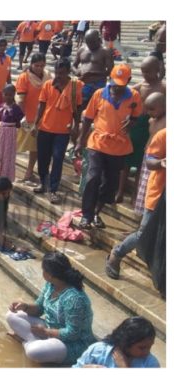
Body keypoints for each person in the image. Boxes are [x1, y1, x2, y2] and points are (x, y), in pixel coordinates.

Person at [75, 64, 142, 229]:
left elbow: (136, 117)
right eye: (114, 83)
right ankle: (86, 215)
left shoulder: (134, 97)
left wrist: (132, 121)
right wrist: (79, 141)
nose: (117, 88)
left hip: (118, 147)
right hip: (97, 143)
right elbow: (88, 118)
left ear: (129, 81)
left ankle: (97, 212)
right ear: (109, 79)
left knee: (110, 183)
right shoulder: (99, 94)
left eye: (121, 84)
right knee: (93, 178)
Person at [5, 252, 95, 365]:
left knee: (33, 352)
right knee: (11, 315)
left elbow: (73, 334)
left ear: (50, 274)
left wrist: (46, 332)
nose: (42, 272)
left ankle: (27, 342)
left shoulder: (74, 298)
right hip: (50, 330)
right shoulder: (50, 285)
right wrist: (25, 306)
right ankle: (36, 343)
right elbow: (39, 308)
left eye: (43, 270)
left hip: (73, 344)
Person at [107, 104, 165, 279]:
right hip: (159, 195)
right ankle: (117, 254)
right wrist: (162, 162)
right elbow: (150, 161)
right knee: (144, 232)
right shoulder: (164, 135)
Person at [32, 58, 84, 204]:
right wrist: (35, 124)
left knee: (58, 158)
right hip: (45, 128)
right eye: (56, 72)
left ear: (68, 72)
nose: (58, 76)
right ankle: (43, 182)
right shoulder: (48, 85)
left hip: (63, 131)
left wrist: (76, 126)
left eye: (61, 73)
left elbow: (78, 108)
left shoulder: (75, 87)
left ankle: (53, 189)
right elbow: (41, 106)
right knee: (43, 158)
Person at [119, 57, 165, 204]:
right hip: (137, 124)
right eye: (143, 71)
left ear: (157, 71)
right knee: (126, 160)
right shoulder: (141, 85)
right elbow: (127, 92)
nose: (145, 74)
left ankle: (135, 195)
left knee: (141, 163)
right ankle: (120, 191)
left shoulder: (164, 87)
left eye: (148, 72)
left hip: (154, 127)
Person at [16, 52, 51, 186]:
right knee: (20, 145)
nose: (39, 68)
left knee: (35, 148)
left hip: (44, 118)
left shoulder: (48, 76)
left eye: (42, 65)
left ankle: (29, 173)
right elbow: (21, 100)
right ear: (31, 64)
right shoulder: (24, 77)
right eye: (36, 65)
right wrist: (22, 117)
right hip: (29, 117)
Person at [74, 316, 159, 368]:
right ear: (126, 342)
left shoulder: (150, 363)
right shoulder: (98, 351)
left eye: (150, 347)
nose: (147, 352)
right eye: (142, 348)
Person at [72, 30, 113, 110]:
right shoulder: (82, 49)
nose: (90, 45)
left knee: (96, 106)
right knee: (80, 105)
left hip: (98, 83)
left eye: (92, 42)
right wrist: (76, 71)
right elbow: (73, 65)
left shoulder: (105, 51)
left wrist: (93, 74)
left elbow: (111, 71)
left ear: (98, 39)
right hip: (83, 82)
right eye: (88, 42)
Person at [0, 85, 23, 181]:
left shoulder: (16, 108)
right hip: (0, 132)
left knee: (7, 154)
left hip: (10, 134)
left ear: (14, 94)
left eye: (10, 95)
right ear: (2, 94)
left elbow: (19, 122)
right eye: (6, 94)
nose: (8, 97)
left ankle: (5, 176)